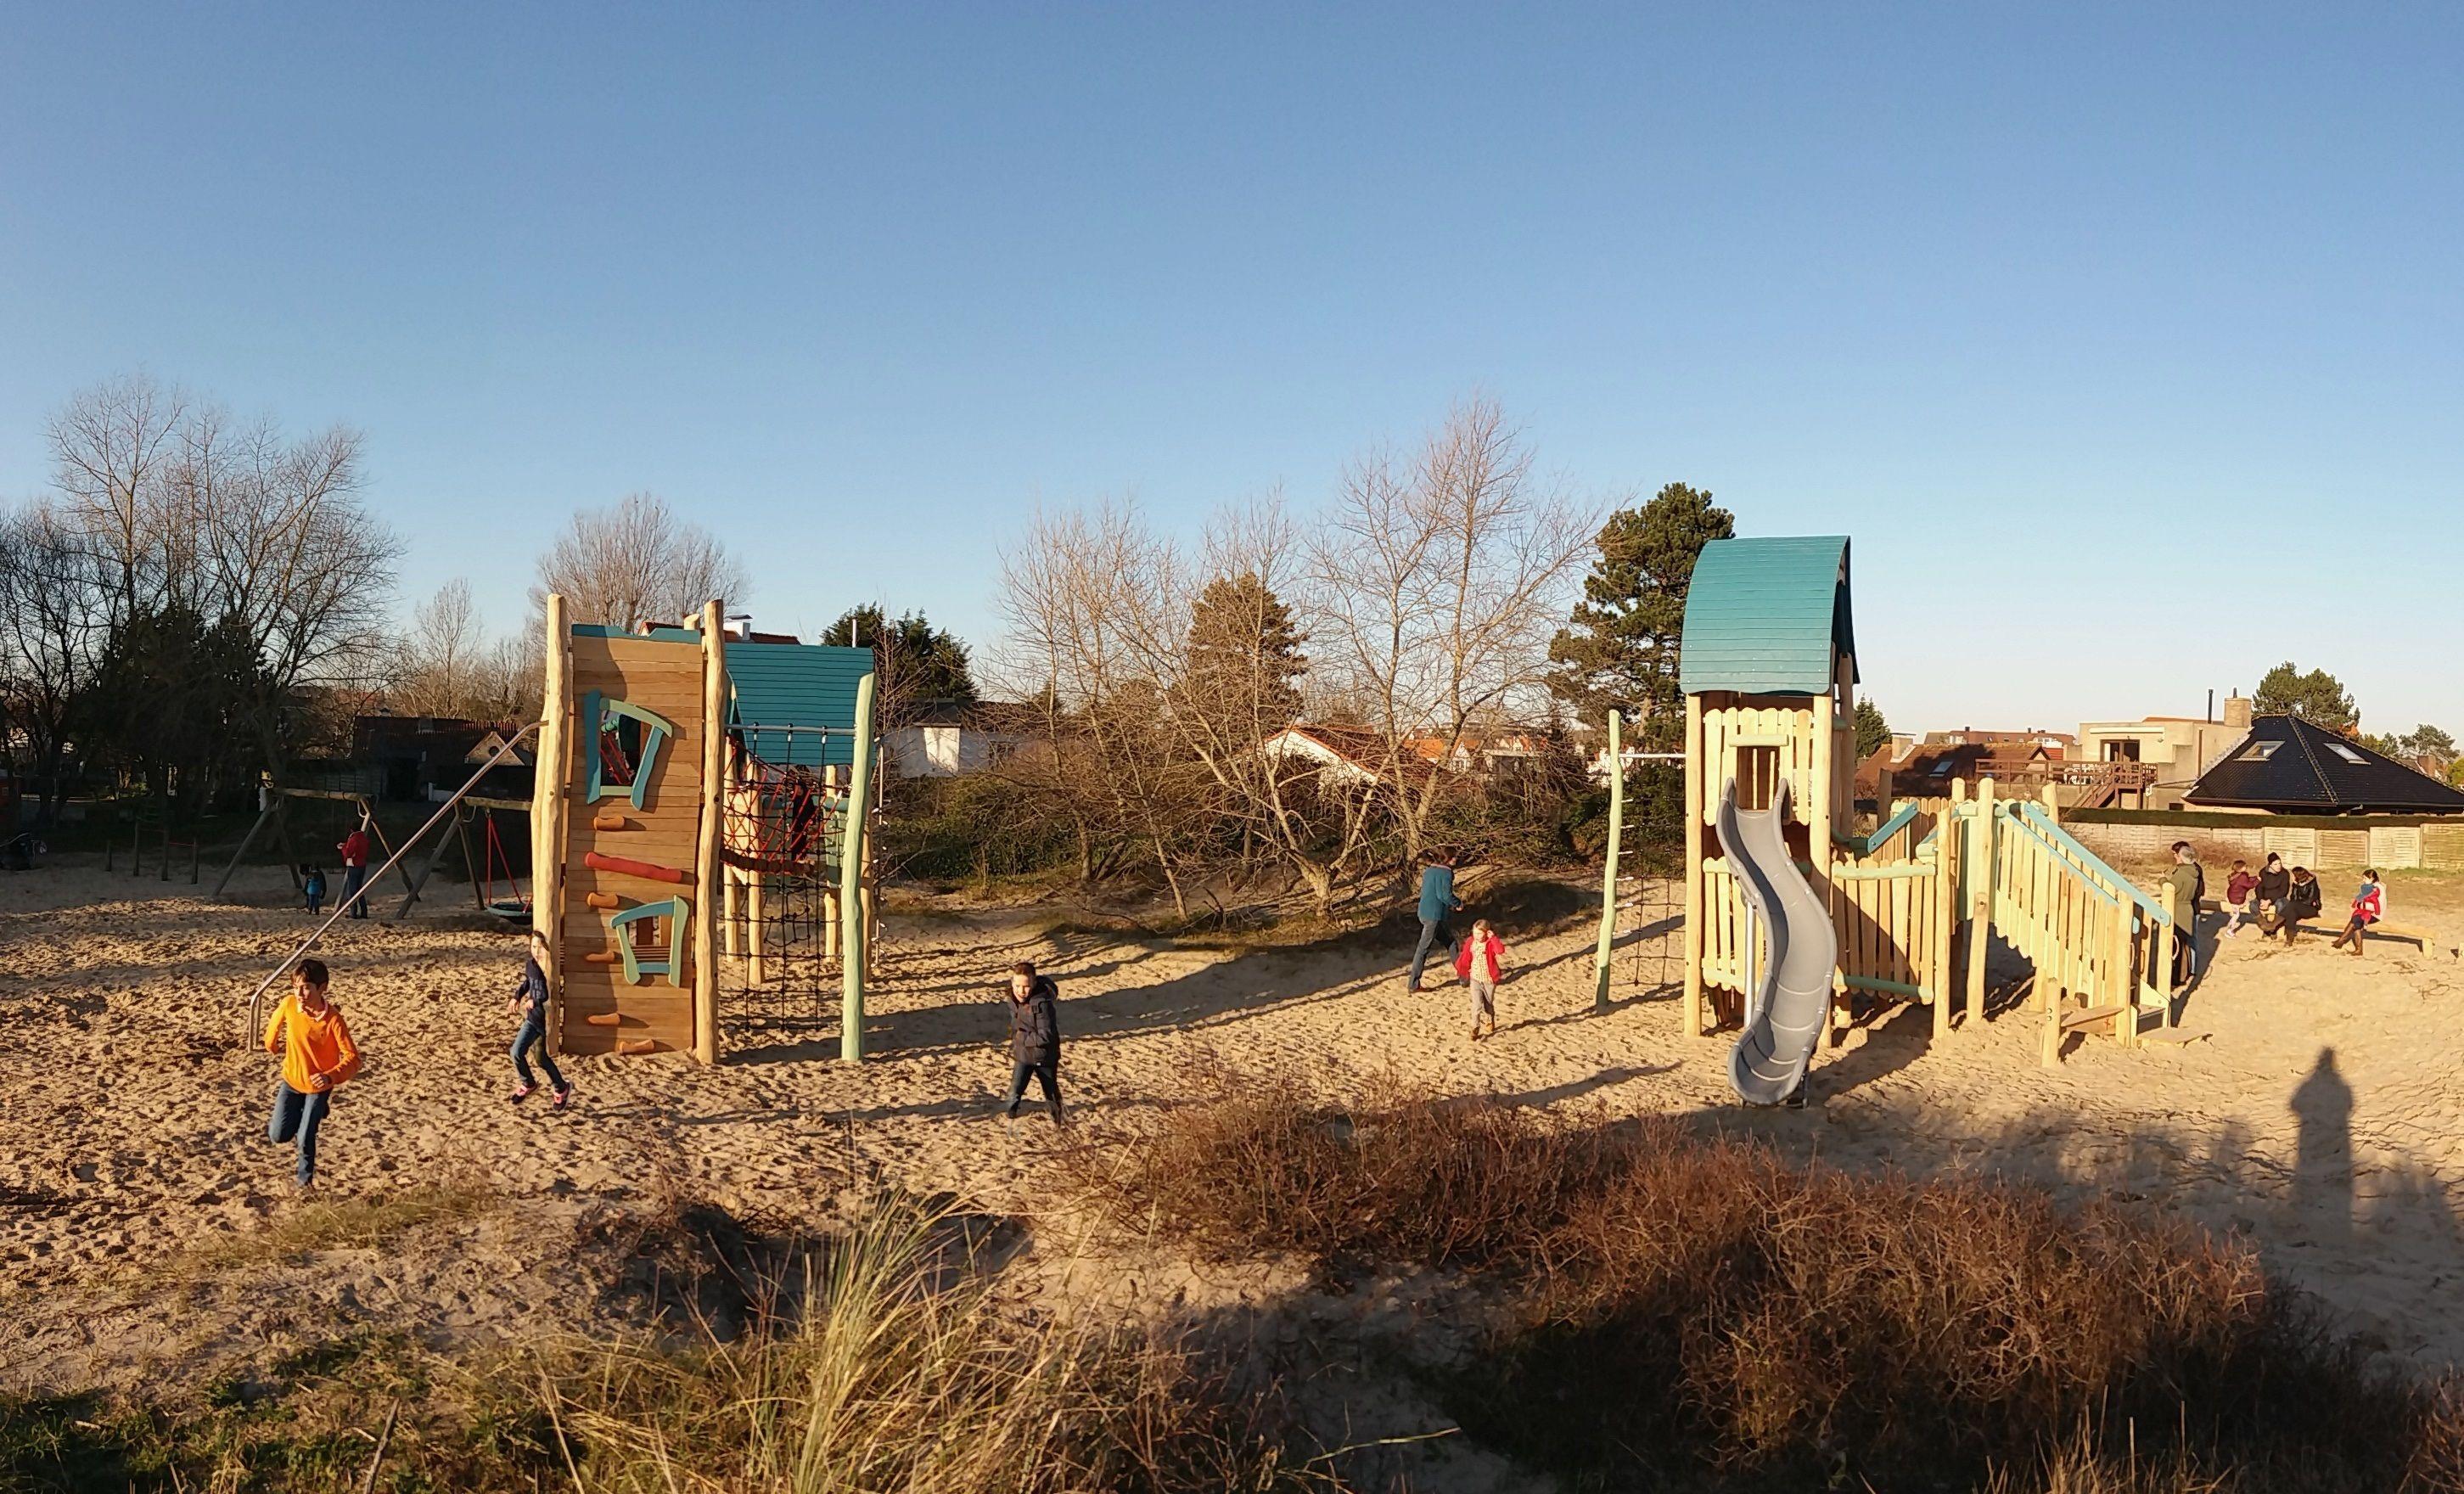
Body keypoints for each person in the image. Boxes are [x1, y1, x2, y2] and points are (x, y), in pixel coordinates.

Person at [261, 958, 361, 1191]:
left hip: (319, 1085)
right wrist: (272, 1045)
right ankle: (314, 1111)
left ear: (322, 988)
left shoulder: (333, 1020)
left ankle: (304, 1183)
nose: (300, 994)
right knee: (278, 1135)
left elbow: (353, 1058)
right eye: (296, 987)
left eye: (306, 988)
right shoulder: (289, 1004)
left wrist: (330, 1076)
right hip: (292, 1080)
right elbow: (274, 1025)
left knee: (305, 1136)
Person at [508, 928, 572, 1107]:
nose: (536, 951)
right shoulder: (531, 965)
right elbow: (528, 983)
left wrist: (534, 1001)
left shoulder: (549, 968)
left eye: (540, 947)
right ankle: (532, 1084)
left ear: (546, 947)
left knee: (531, 1056)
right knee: (524, 1054)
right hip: (533, 1019)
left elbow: (544, 993)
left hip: (541, 1020)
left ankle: (559, 1088)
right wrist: (517, 997)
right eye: (533, 947)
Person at [1002, 959, 1063, 1126]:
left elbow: (1046, 1036)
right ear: (1012, 983)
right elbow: (1016, 1024)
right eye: (1017, 986)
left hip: (1045, 1056)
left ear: (1034, 984)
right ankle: (1010, 1116)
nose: (1021, 991)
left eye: (1026, 986)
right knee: (1015, 1090)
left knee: (1050, 1092)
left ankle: (1058, 1121)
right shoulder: (1012, 999)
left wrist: (1020, 1039)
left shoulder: (1043, 1005)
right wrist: (1015, 1035)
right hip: (1023, 1055)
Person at [1407, 854, 1462, 991]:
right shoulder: (1446, 873)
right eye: (1453, 856)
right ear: (1446, 858)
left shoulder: (1430, 870)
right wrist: (1457, 903)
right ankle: (1413, 984)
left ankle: (1464, 976)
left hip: (1424, 913)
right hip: (1434, 916)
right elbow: (1444, 895)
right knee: (1423, 949)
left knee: (1451, 943)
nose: (1455, 859)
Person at [1454, 918, 1509, 1041]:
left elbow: (1500, 950)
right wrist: (1463, 968)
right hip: (1475, 979)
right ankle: (1475, 1027)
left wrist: (1493, 938)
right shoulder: (1471, 942)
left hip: (1489, 980)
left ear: (1486, 932)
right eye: (1475, 933)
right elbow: (1465, 956)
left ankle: (1490, 1019)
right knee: (1477, 1004)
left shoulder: (1490, 943)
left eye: (1479, 933)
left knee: (1488, 1004)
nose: (1476, 936)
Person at [2163, 841, 2204, 985]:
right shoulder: (2194, 871)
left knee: (2180, 943)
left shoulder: (2182, 873)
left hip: (2182, 908)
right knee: (2186, 943)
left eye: (2176, 855)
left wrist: (2163, 880)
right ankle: (2187, 972)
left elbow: (2172, 888)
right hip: (2189, 907)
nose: (2175, 857)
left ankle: (2180, 975)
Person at [2330, 868, 2386, 956]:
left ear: (2371, 878)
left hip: (2374, 914)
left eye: (2365, 878)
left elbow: (2377, 904)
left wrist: (2362, 905)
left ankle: (2353, 947)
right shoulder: (2371, 886)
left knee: (2356, 921)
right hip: (2366, 911)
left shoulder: (2376, 888)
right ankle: (2342, 942)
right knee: (2355, 921)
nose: (2363, 880)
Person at [337, 819, 372, 919]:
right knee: (359, 889)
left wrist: (343, 848)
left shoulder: (353, 839)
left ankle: (354, 912)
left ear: (351, 829)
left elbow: (348, 853)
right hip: (362, 864)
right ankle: (364, 912)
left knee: (352, 890)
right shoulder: (363, 838)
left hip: (354, 865)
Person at [2281, 866, 2323, 942]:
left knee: (2292, 906)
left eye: (2294, 875)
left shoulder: (2312, 884)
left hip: (2311, 909)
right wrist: (2296, 886)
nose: (2293, 877)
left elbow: (2310, 900)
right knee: (2291, 914)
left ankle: (2275, 924)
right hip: (2298, 909)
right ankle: (2289, 941)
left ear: (2299, 875)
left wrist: (2297, 904)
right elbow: (2293, 898)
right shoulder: (2296, 884)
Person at [2252, 854, 2291, 935]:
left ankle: (2273, 928)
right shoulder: (2263, 872)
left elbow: (2284, 891)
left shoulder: (2285, 873)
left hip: (2278, 897)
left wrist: (2269, 901)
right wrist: (2261, 900)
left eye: (2279, 863)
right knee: (2253, 905)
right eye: (2275, 864)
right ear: (2270, 865)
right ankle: (2265, 926)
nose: (2279, 866)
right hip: (2264, 898)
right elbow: (2259, 888)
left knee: (2282, 905)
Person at [2220, 859, 2258, 937]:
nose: (2246, 867)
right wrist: (2257, 881)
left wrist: (2255, 878)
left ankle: (2230, 926)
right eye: (2245, 866)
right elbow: (2249, 885)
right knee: (2236, 915)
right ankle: (2229, 930)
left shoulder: (2235, 875)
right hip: (2237, 898)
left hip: (2232, 896)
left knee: (2237, 911)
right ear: (2241, 868)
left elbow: (2247, 880)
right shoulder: (2242, 877)